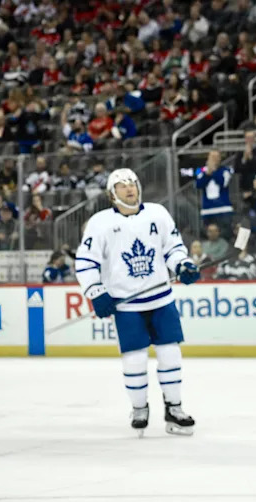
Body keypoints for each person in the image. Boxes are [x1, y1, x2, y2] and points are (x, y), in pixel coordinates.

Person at [74, 169, 201, 436]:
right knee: (134, 360)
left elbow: (173, 248)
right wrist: (96, 292)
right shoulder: (100, 223)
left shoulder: (157, 213)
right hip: (126, 305)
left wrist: (183, 265)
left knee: (170, 354)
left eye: (133, 183)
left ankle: (174, 408)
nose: (130, 188)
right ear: (112, 194)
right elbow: (85, 262)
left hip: (161, 299)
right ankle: (140, 408)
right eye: (122, 185)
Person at [195, 150, 235, 236]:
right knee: (208, 237)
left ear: (220, 159)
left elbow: (223, 182)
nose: (214, 159)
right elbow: (199, 184)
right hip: (207, 211)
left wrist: (213, 171)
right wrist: (208, 173)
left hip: (223, 210)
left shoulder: (226, 170)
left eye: (216, 157)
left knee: (225, 235)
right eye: (212, 157)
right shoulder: (201, 171)